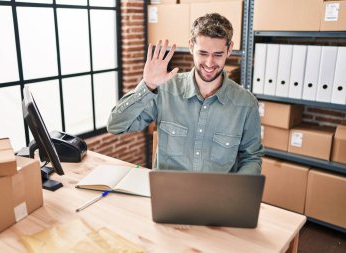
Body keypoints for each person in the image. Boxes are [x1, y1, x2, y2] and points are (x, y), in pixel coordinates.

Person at [107, 13, 263, 174]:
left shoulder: (246, 103)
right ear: (191, 46)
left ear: (229, 49)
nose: (209, 63)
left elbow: (251, 157)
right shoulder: (165, 89)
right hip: (167, 192)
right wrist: (148, 86)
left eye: (217, 55)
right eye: (203, 53)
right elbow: (115, 126)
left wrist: (238, 192)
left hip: (217, 196)